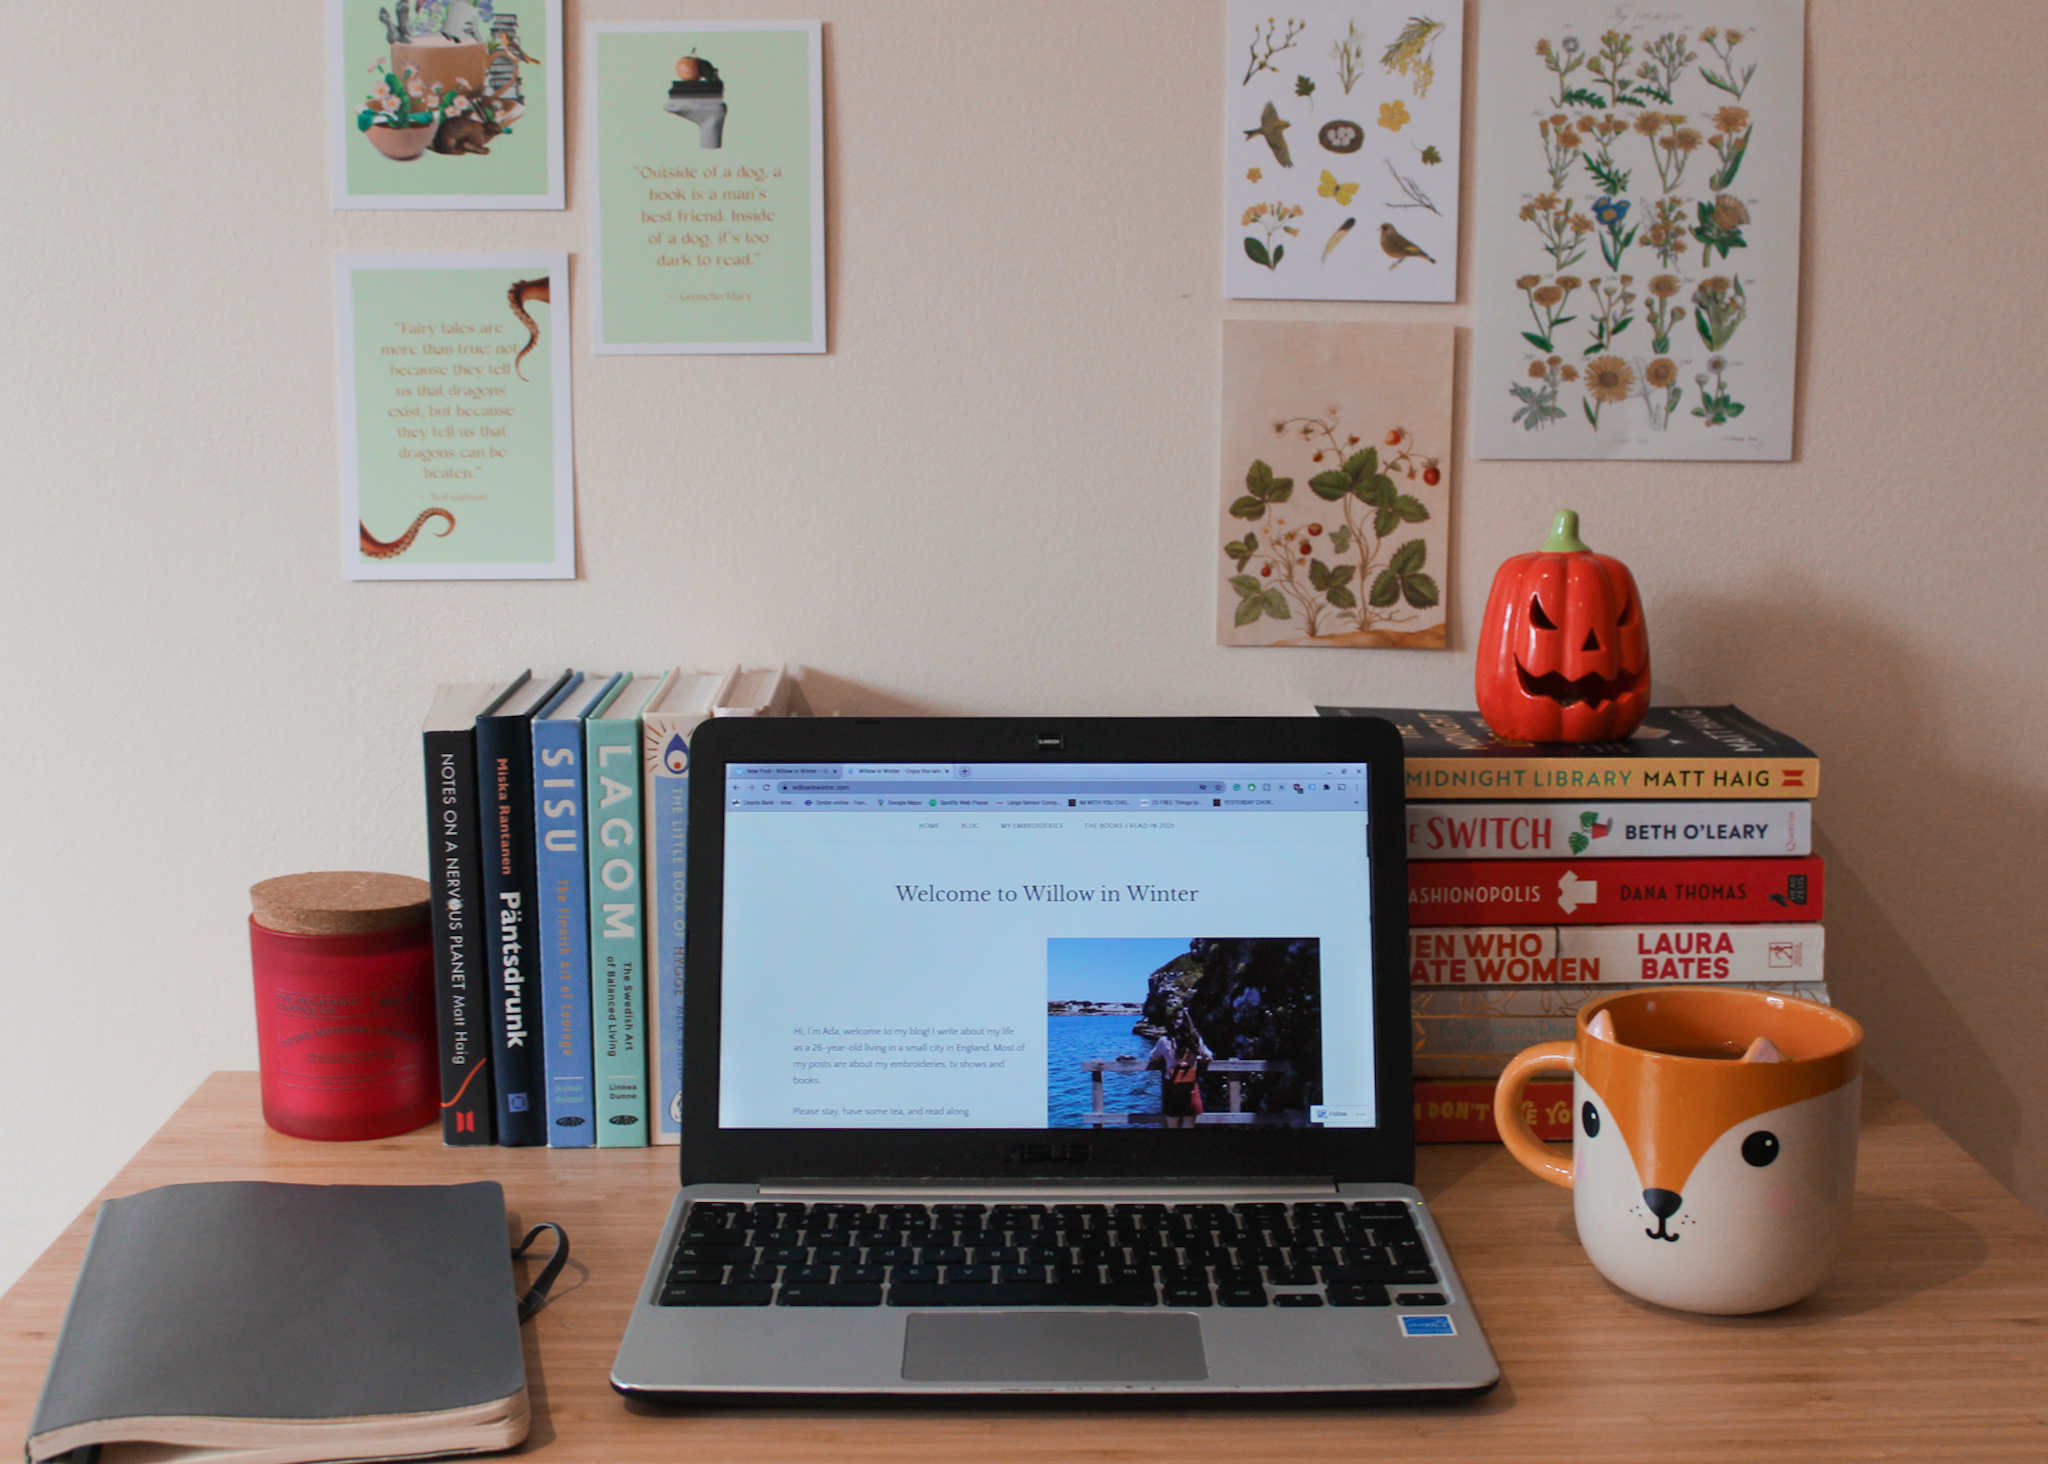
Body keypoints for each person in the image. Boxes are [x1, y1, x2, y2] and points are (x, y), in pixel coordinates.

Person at [1147, 1017, 1212, 1129]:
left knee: (1172, 1126)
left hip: (1172, 1087)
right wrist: (1197, 1058)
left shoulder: (1165, 1041)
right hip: (1190, 1087)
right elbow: (1208, 1056)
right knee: (1189, 1127)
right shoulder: (1195, 1039)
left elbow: (1153, 1057)